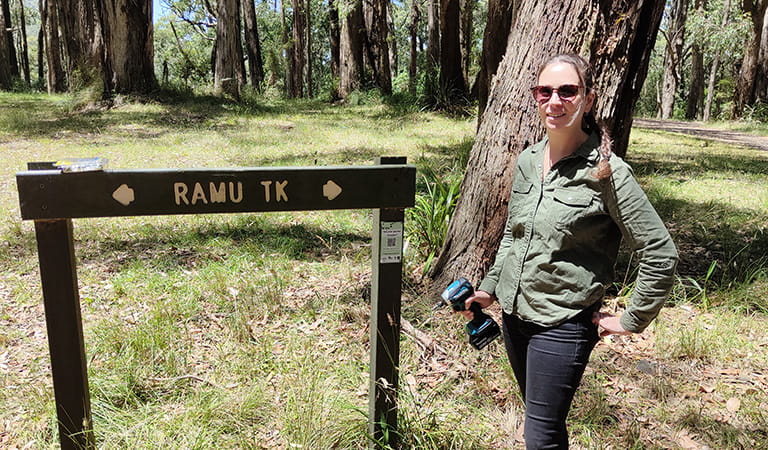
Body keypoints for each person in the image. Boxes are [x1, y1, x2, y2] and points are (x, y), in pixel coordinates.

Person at [460, 53, 678, 449]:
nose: (554, 100)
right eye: (545, 91)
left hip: (563, 322)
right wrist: (490, 290)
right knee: (545, 427)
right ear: (535, 96)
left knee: (539, 437)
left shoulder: (606, 172)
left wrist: (632, 320)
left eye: (567, 91)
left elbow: (660, 251)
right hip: (514, 316)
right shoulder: (528, 160)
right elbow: (514, 233)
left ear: (588, 100)